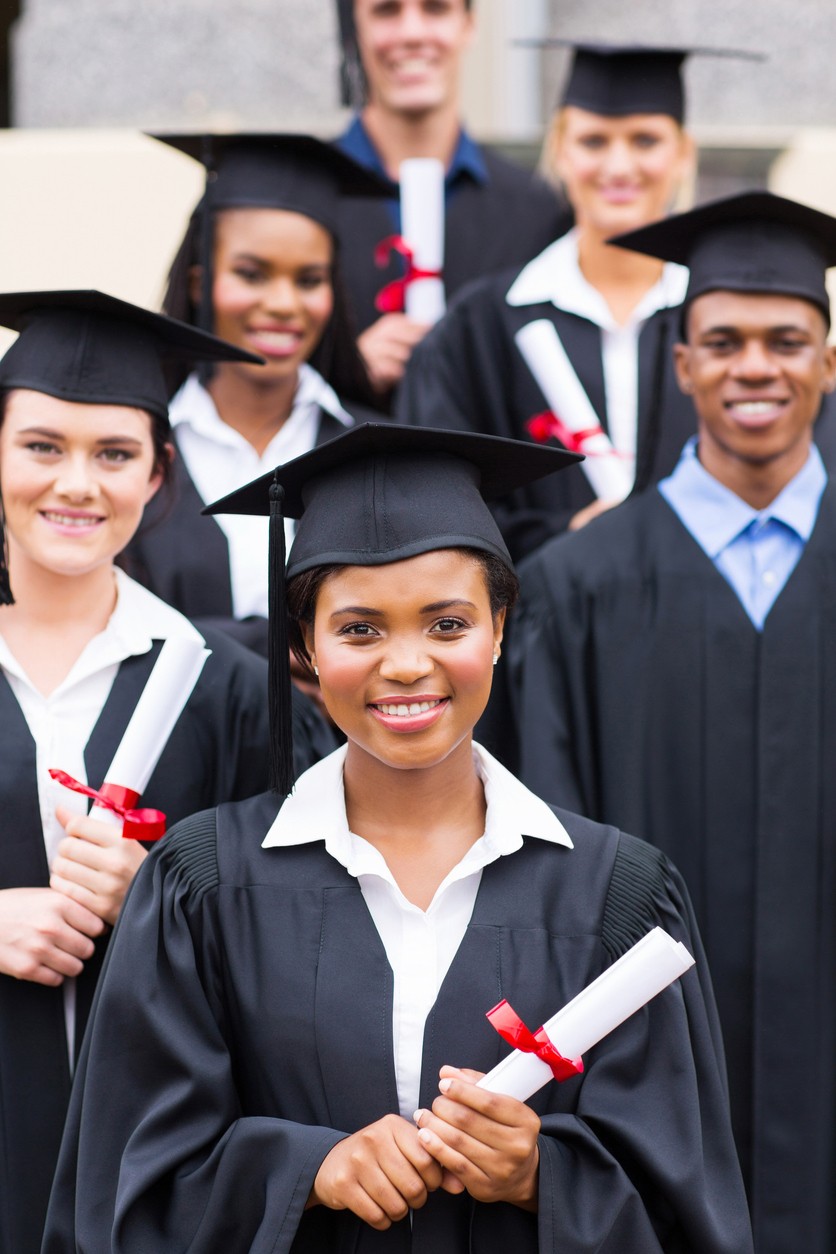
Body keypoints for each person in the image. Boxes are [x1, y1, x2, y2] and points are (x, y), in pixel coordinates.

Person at [45, 423, 752, 1253]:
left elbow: (690, 1207)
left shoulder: (617, 894)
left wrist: (540, 1176)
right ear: (304, 647)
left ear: (500, 627)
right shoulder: (202, 886)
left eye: (448, 624)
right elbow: (125, 1193)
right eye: (360, 629)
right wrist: (304, 1171)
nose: (408, 663)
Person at [510, 192, 836, 1254]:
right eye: (723, 342)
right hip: (646, 1063)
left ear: (826, 362)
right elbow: (552, 855)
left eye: (785, 341)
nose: (755, 368)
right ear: (680, 363)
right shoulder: (573, 587)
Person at [0, 290, 332, 1254]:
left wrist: (158, 903)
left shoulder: (224, 688)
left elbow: (301, 934)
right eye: (41, 446)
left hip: (150, 1168)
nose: (77, 483)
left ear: (160, 474)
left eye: (114, 454)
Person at [397, 43, 748, 558]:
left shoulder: (725, 320)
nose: (619, 165)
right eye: (593, 141)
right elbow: (433, 500)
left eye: (646, 140)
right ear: (560, 151)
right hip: (537, 623)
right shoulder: (484, 325)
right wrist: (567, 534)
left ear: (683, 154)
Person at [122, 135, 388, 658]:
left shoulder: (374, 451)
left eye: (309, 280)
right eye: (252, 274)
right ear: (201, 283)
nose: (284, 303)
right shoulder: (135, 448)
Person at [332, 0, 569, 399]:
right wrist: (341, 369)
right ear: (355, 29)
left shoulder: (537, 210)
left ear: (469, 25)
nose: (412, 33)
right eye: (387, 10)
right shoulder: (303, 198)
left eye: (436, 8)